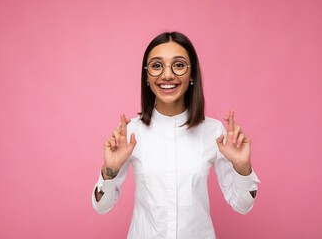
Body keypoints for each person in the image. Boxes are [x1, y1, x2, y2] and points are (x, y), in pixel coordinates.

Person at [92, 31, 260, 239]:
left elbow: (242, 205)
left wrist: (243, 168)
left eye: (179, 65)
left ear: (192, 75)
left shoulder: (214, 132)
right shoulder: (130, 132)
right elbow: (102, 207)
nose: (167, 75)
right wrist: (110, 171)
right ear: (147, 75)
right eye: (156, 65)